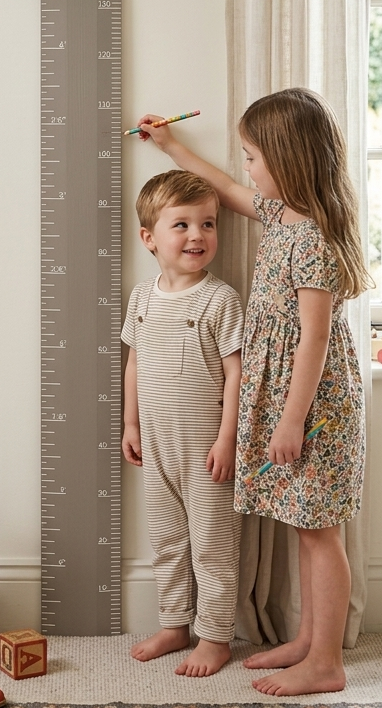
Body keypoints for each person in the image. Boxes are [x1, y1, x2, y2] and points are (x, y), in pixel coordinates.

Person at [135, 88, 368, 697]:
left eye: (252, 157)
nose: (245, 169)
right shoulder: (277, 215)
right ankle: (308, 639)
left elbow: (313, 342)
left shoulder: (312, 238)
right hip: (289, 401)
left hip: (313, 407)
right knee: (304, 525)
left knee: (320, 532)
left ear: (286, 162)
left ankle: (326, 662)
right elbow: (220, 185)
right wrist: (170, 145)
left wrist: (291, 422)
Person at [121, 169, 243, 677]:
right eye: (183, 225)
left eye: (209, 224)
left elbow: (238, 371)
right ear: (149, 238)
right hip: (157, 445)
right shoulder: (142, 298)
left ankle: (215, 635)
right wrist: (130, 423)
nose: (198, 236)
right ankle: (174, 623)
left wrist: (228, 438)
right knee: (168, 539)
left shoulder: (221, 300)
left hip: (207, 450)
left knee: (213, 544)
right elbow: (134, 361)